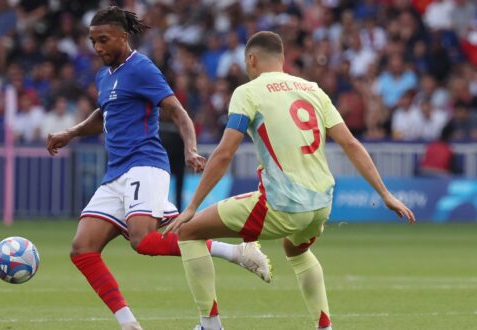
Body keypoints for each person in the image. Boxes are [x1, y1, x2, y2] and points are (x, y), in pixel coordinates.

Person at [165, 31, 416, 330]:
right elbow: (351, 143)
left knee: (189, 232)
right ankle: (325, 327)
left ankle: (210, 325)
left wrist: (192, 205)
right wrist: (384, 193)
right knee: (295, 250)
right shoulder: (313, 89)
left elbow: (224, 153)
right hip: (321, 203)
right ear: (283, 59)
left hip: (281, 204)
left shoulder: (248, 92)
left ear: (251, 59)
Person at [46, 7, 270, 330]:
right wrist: (71, 132)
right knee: (82, 249)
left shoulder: (142, 69)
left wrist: (190, 148)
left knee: (143, 241)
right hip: (116, 173)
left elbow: (178, 112)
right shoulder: (104, 75)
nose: (97, 48)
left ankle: (233, 253)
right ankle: (132, 324)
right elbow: (104, 114)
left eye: (103, 40)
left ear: (123, 37)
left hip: (145, 165)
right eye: (93, 41)